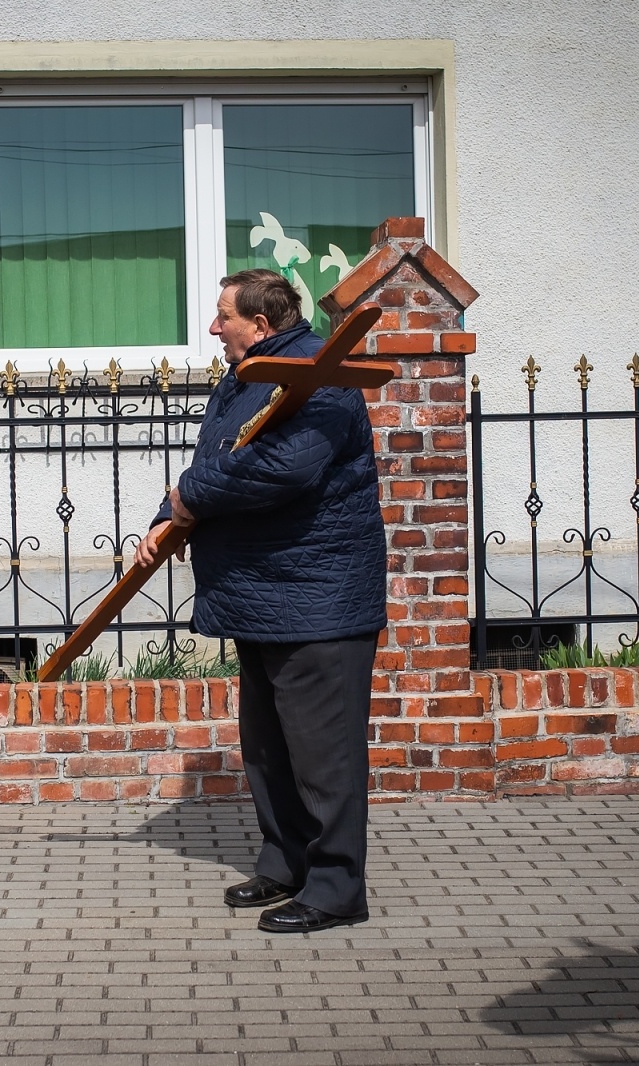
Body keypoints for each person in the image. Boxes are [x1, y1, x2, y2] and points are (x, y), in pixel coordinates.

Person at [135, 268, 387, 933]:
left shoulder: (323, 377)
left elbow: (284, 468)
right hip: (262, 593)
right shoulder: (250, 370)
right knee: (269, 748)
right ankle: (286, 861)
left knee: (323, 755)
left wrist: (190, 499)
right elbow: (221, 457)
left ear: (262, 323)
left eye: (223, 316)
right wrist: (173, 510)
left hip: (315, 596)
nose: (213, 328)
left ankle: (336, 887)